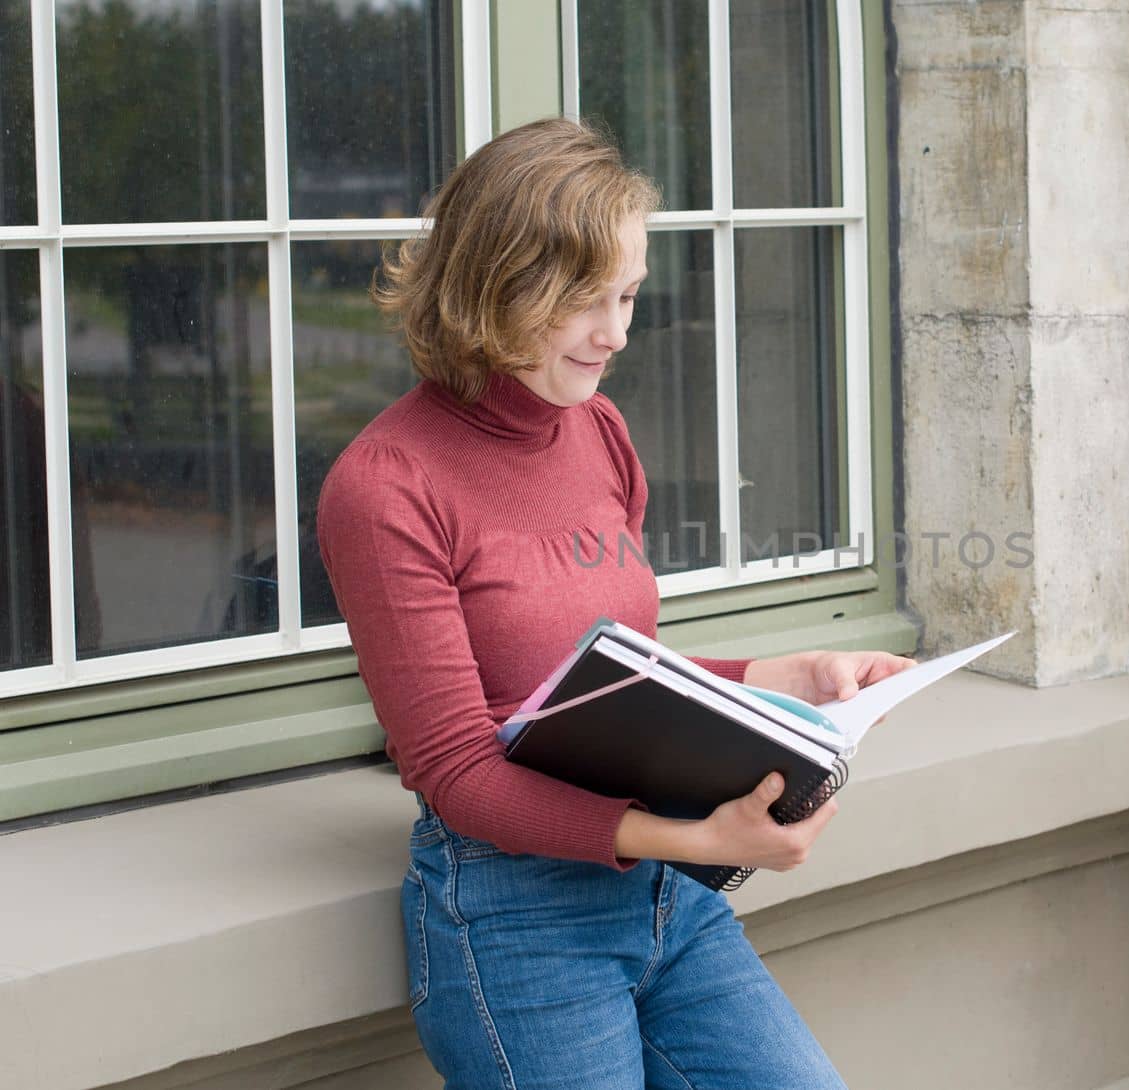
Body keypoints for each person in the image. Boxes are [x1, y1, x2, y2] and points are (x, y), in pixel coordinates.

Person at [316, 118, 914, 1090]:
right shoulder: (386, 485)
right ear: (494, 285)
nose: (617, 332)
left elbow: (610, 676)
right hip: (515, 924)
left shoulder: (597, 429)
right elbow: (456, 770)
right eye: (582, 302)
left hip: (665, 901)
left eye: (629, 294)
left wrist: (787, 677)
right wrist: (695, 839)